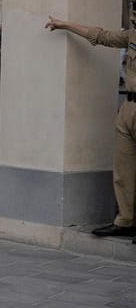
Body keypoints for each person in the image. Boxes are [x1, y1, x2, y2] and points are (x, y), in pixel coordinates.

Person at [46, 13, 136, 239]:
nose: (133, 16)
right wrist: (65, 24)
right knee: (124, 170)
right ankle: (126, 220)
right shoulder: (132, 35)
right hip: (129, 108)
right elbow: (101, 36)